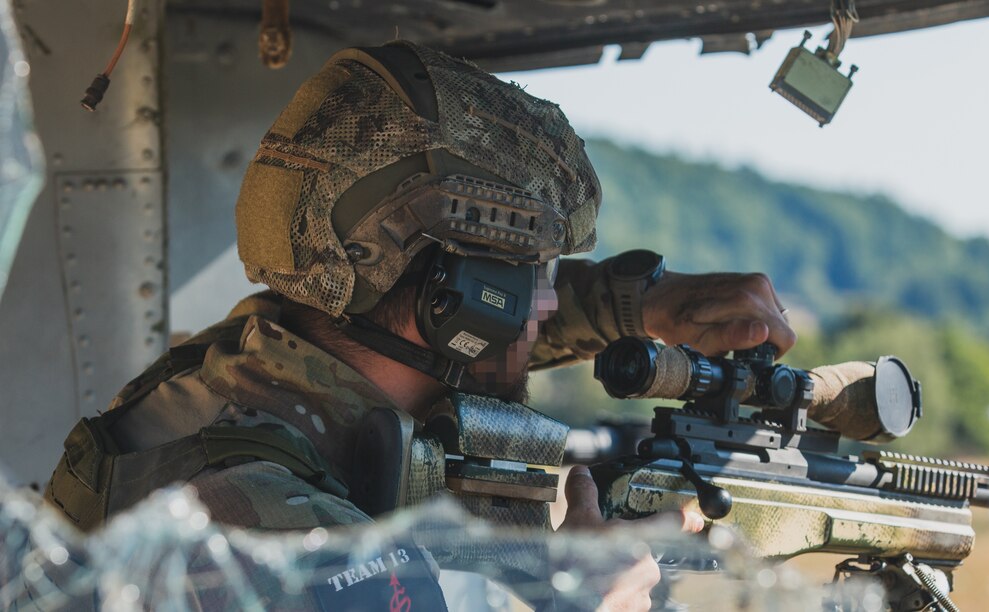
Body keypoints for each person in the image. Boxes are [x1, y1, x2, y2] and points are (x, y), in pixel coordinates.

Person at [41, 41, 794, 610]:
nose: (547, 303)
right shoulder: (270, 524)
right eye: (531, 275)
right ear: (456, 298)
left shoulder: (243, 367)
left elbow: (473, 333)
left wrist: (647, 304)